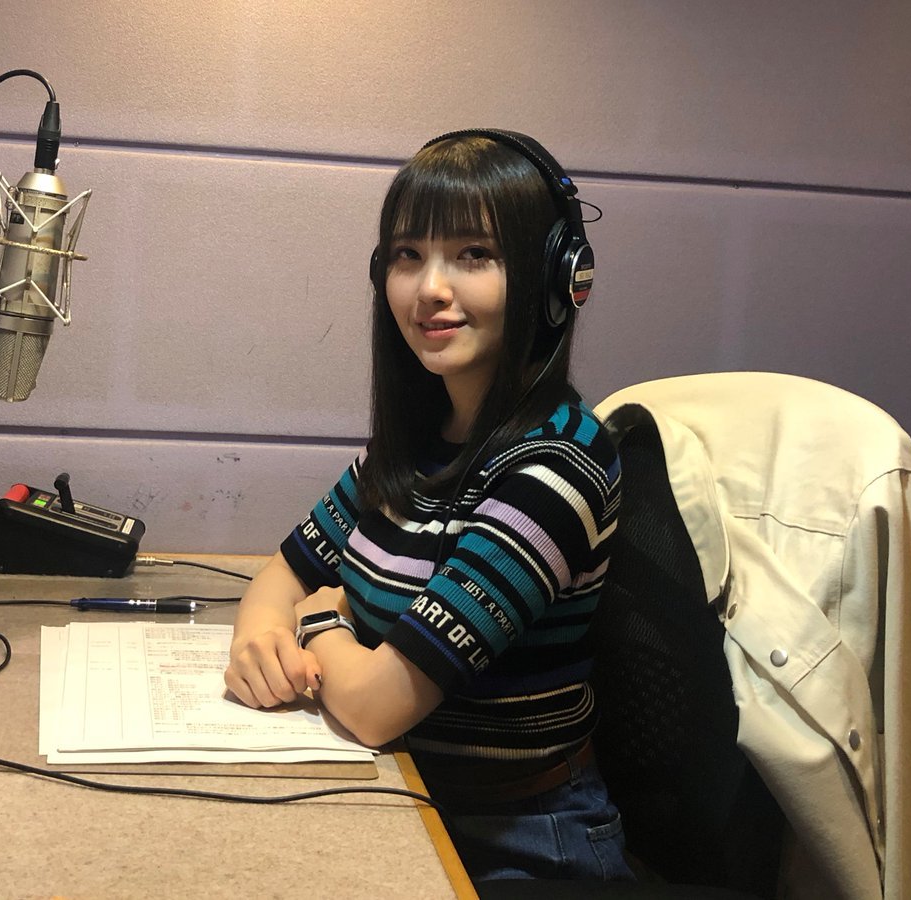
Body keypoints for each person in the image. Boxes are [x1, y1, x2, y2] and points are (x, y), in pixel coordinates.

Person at [224, 129, 634, 883]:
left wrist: (319, 621)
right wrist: (261, 640)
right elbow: (283, 574)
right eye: (408, 255)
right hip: (407, 804)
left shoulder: (556, 467)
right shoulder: (413, 447)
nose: (429, 288)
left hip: (521, 848)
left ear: (556, 278)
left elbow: (376, 706)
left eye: (474, 255)